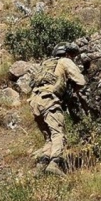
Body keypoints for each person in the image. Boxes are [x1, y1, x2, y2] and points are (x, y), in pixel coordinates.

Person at [29, 42, 86, 176]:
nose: (72, 57)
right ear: (66, 53)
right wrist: (71, 93)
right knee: (58, 133)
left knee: (49, 137)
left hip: (34, 101)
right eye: (72, 55)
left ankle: (41, 167)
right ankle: (55, 164)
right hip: (49, 99)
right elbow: (81, 81)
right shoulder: (65, 61)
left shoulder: (45, 64)